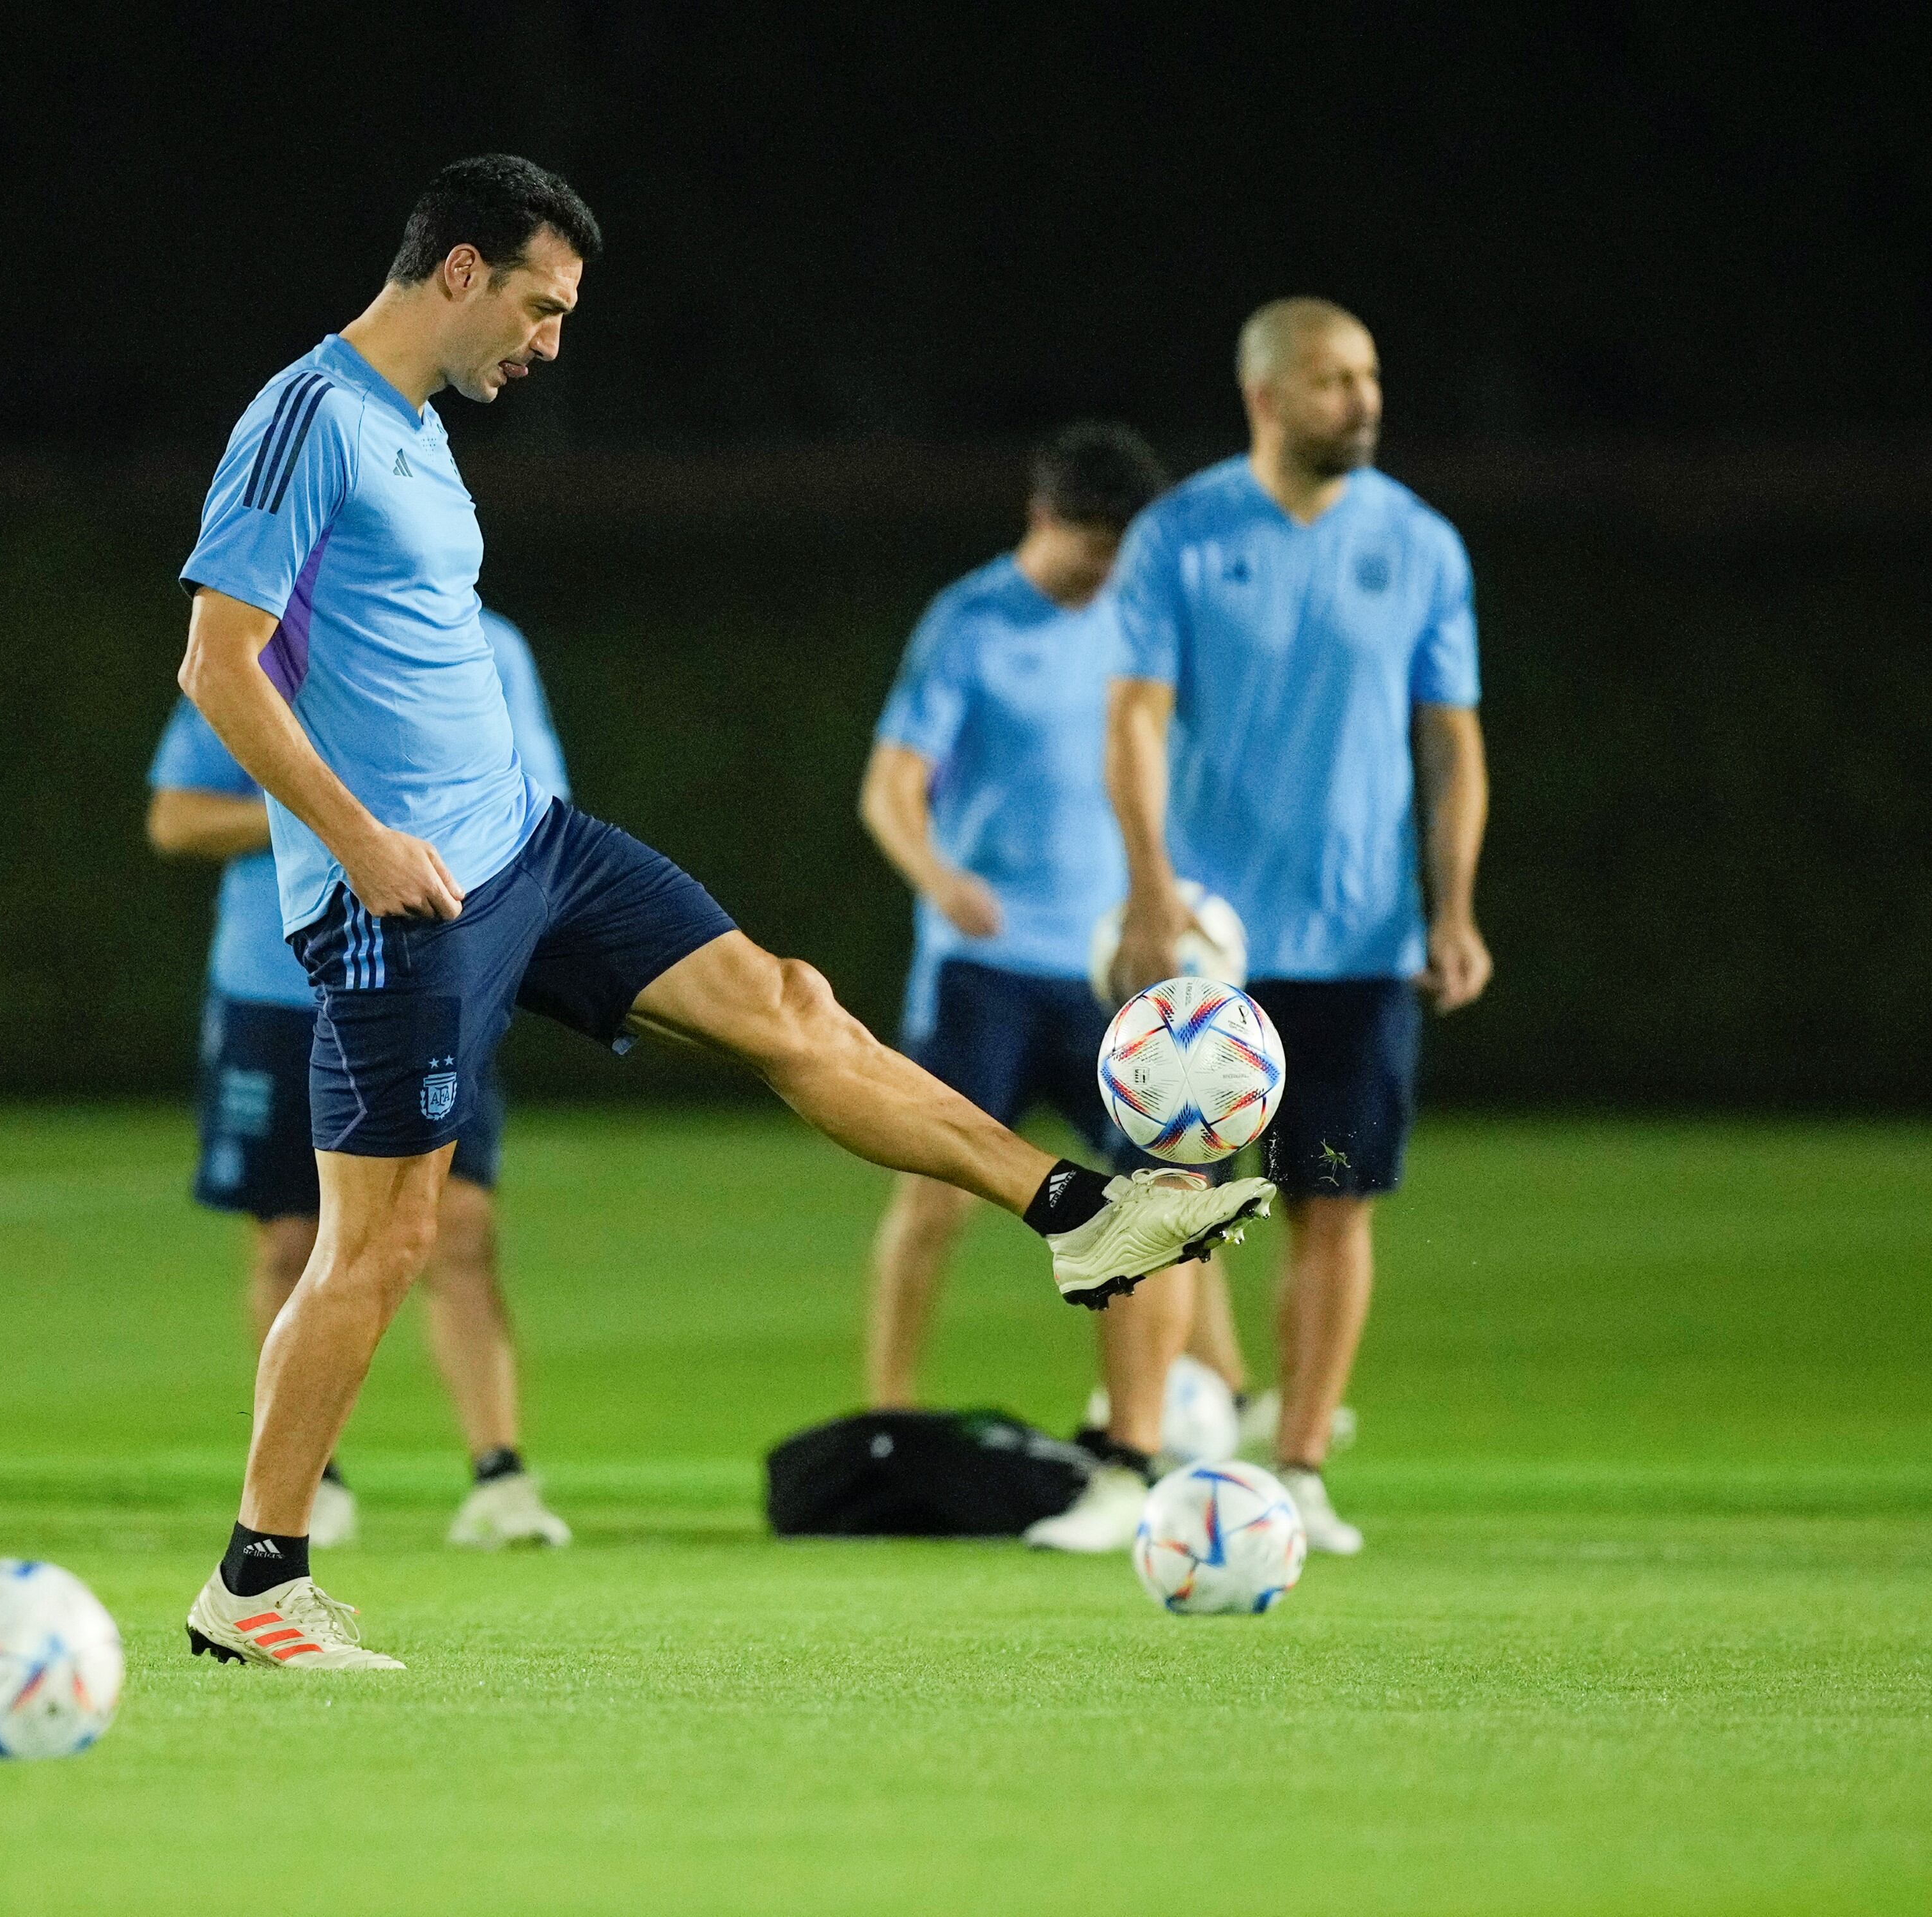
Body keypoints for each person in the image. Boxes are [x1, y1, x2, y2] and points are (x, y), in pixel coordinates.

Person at [170, 154, 1273, 1672]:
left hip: (532, 851)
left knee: (791, 1004)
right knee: (381, 1242)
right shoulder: (311, 416)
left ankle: (1083, 1214)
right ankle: (254, 1583)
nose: (551, 344)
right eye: (542, 309)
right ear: (460, 273)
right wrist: (360, 844)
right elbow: (216, 665)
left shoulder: (420, 431)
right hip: (403, 899)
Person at [1106, 297, 1492, 1555]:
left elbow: (1450, 742)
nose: (1363, 399)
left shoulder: (1422, 544)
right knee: (1168, 1196)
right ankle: (1140, 1460)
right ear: (1266, 396)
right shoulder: (1183, 536)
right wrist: (1154, 897)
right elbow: (1138, 723)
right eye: (1333, 379)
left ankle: (1304, 1465)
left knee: (1334, 1205)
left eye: (1370, 375)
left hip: (1364, 943)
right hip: (1214, 951)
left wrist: (1453, 909)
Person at [855, 420, 1219, 1553]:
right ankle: (890, 1424)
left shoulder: (1146, 625)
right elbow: (890, 789)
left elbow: (1178, 779)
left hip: (1115, 966)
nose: (1109, 574)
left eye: (1127, 554)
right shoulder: (970, 623)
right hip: (984, 972)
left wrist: (1189, 899)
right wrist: (938, 877)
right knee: (934, 1193)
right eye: (1094, 550)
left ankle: (1150, 1439)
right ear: (1042, 517)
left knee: (1166, 1191)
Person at [146, 608, 575, 1550]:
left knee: (458, 1227)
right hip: (275, 982)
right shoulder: (258, 648)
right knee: (288, 1239)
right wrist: (333, 823)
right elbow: (177, 816)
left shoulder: (487, 648)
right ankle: (312, 1484)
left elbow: (533, 807)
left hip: (426, 980)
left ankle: (500, 1476)